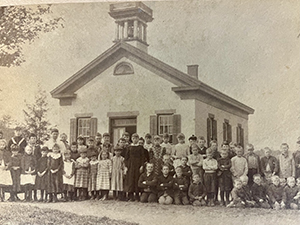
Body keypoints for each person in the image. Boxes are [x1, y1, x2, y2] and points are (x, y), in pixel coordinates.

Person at [124, 133, 145, 202]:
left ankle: (137, 196)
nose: (135, 140)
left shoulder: (140, 147)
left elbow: (142, 157)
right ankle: (130, 196)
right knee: (131, 180)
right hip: (131, 166)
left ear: (138, 139)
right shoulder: (129, 147)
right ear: (131, 139)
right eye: (133, 138)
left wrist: (142, 166)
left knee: (137, 180)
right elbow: (126, 158)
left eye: (136, 138)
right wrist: (126, 166)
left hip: (138, 165)